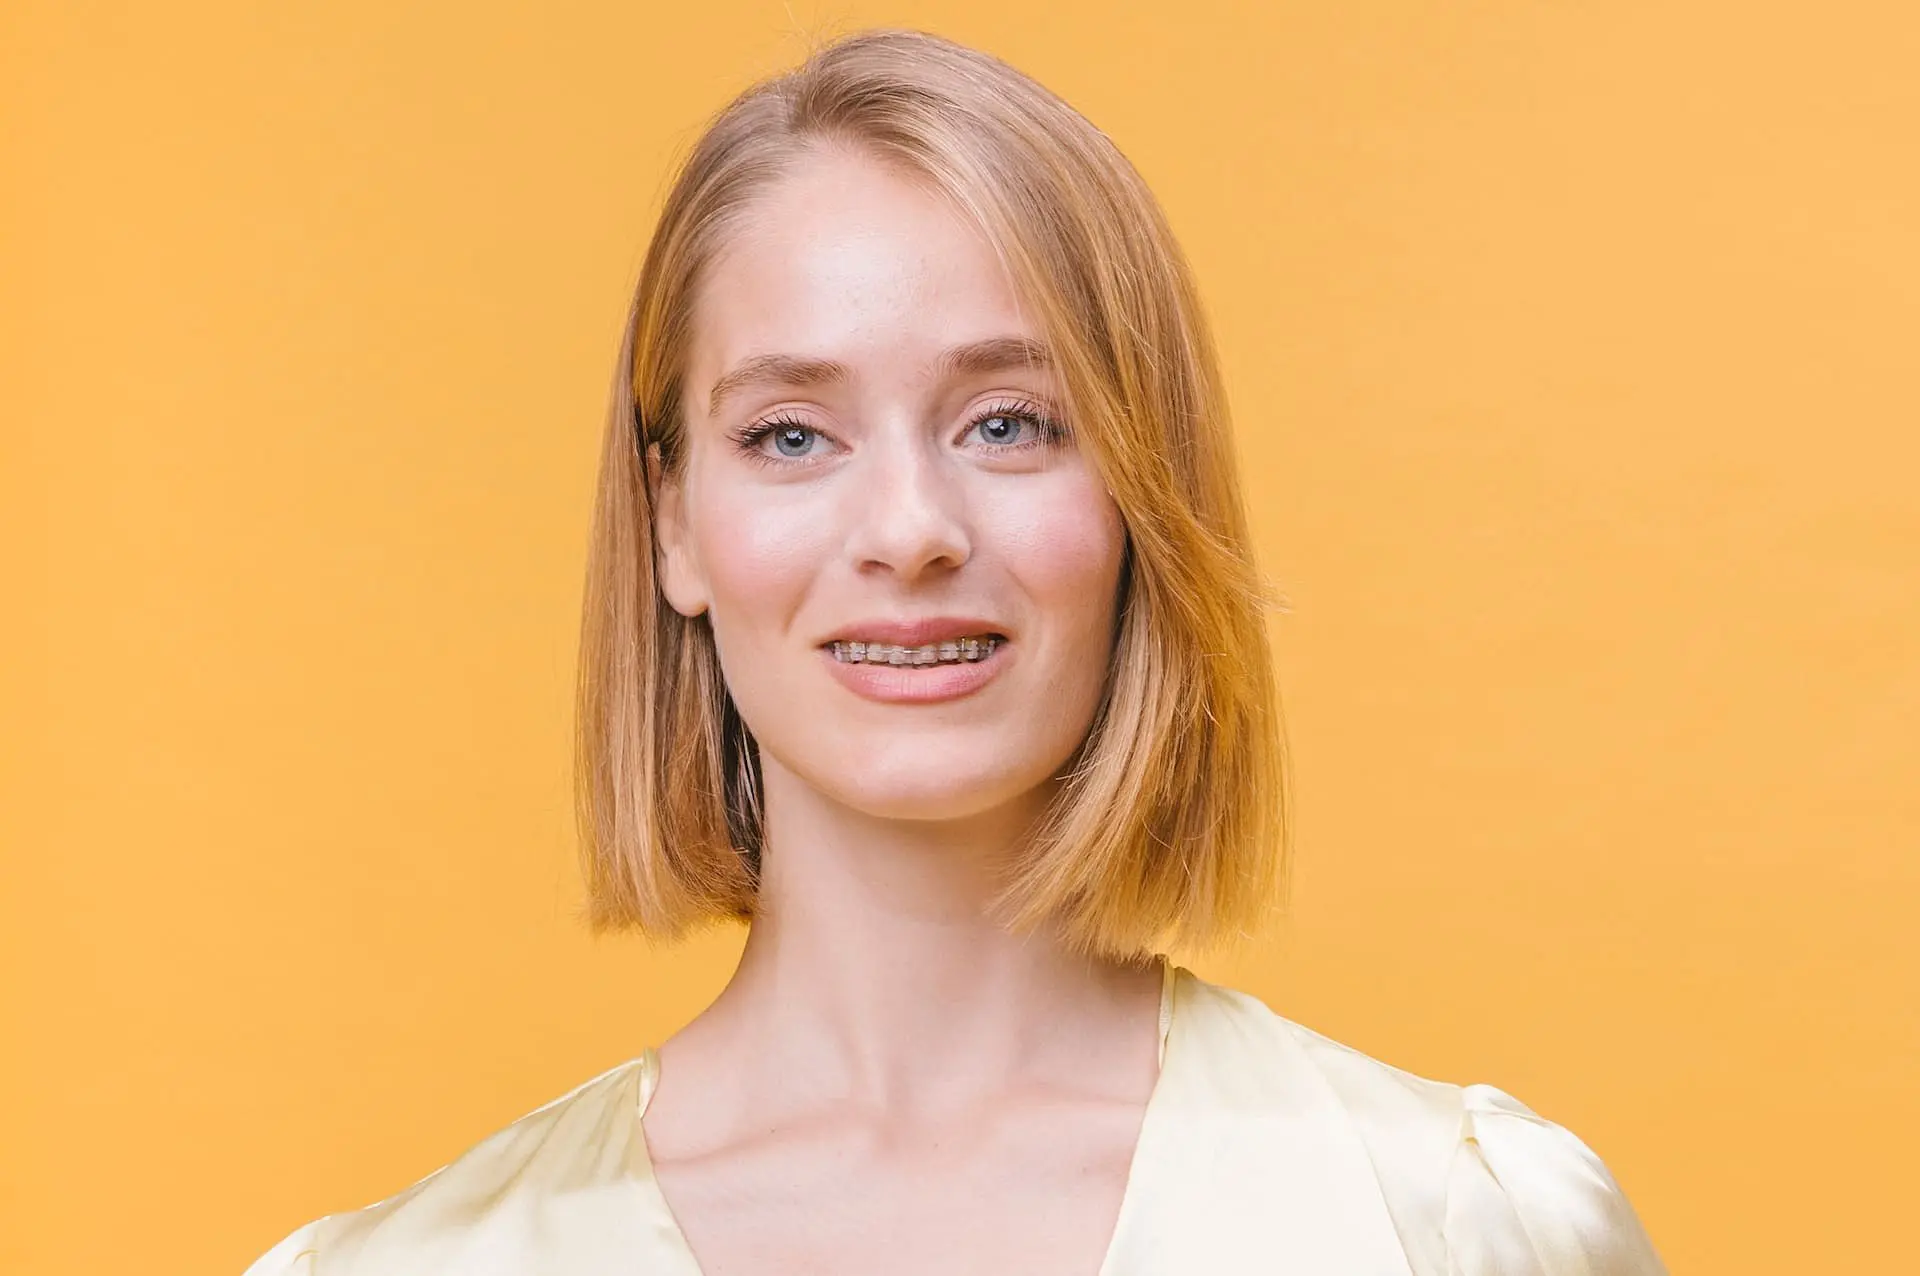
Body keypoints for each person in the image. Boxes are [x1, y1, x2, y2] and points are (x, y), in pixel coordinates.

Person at [246, 27, 1666, 1275]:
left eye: (1008, 422)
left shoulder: (1456, 1234)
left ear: (1136, 496)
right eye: (791, 435)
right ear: (671, 522)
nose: (911, 530)